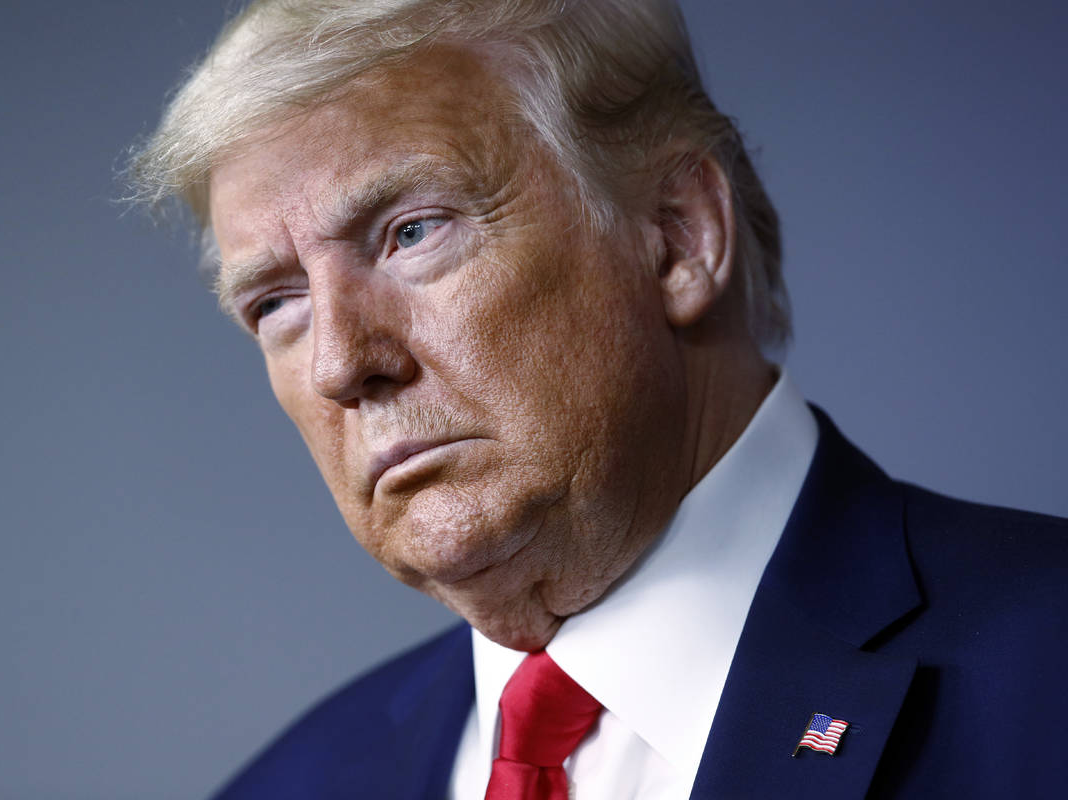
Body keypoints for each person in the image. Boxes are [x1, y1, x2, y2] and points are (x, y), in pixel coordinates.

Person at [127, 1, 1068, 797]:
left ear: (677, 236)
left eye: (411, 231)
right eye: (276, 302)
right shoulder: (292, 784)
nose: (341, 362)